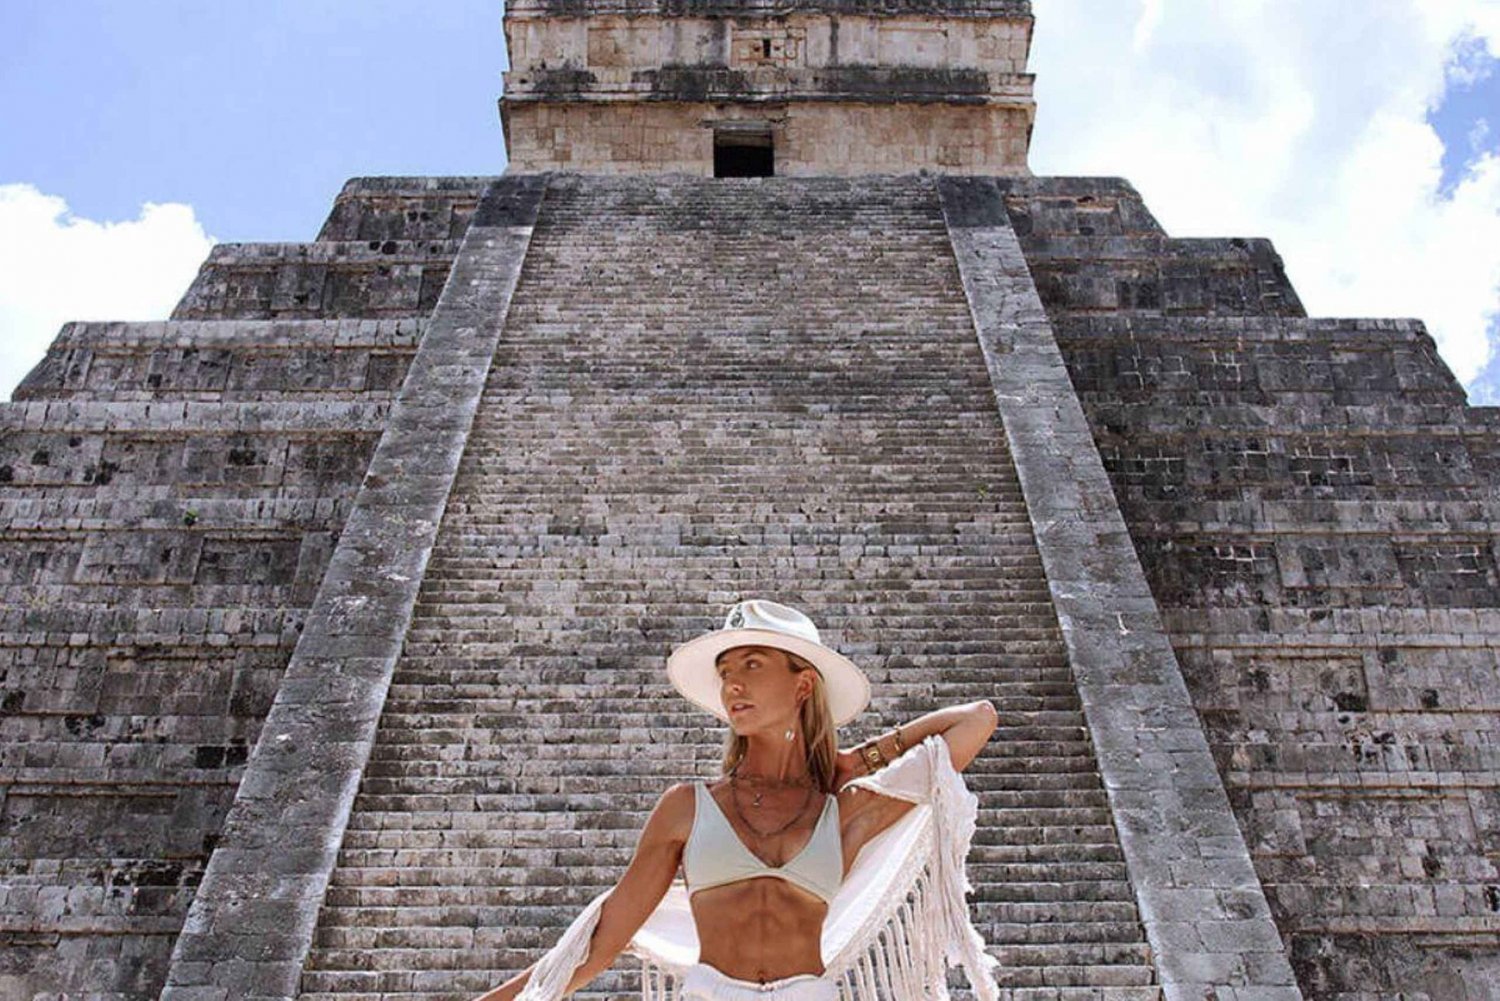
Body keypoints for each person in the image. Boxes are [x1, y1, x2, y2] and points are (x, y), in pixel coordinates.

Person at [473, 598, 1002, 1001]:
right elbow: (604, 937)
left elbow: (976, 720)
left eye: (752, 665)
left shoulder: (842, 810)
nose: (732, 686)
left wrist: (853, 760)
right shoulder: (687, 806)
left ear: (803, 685)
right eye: (726, 674)